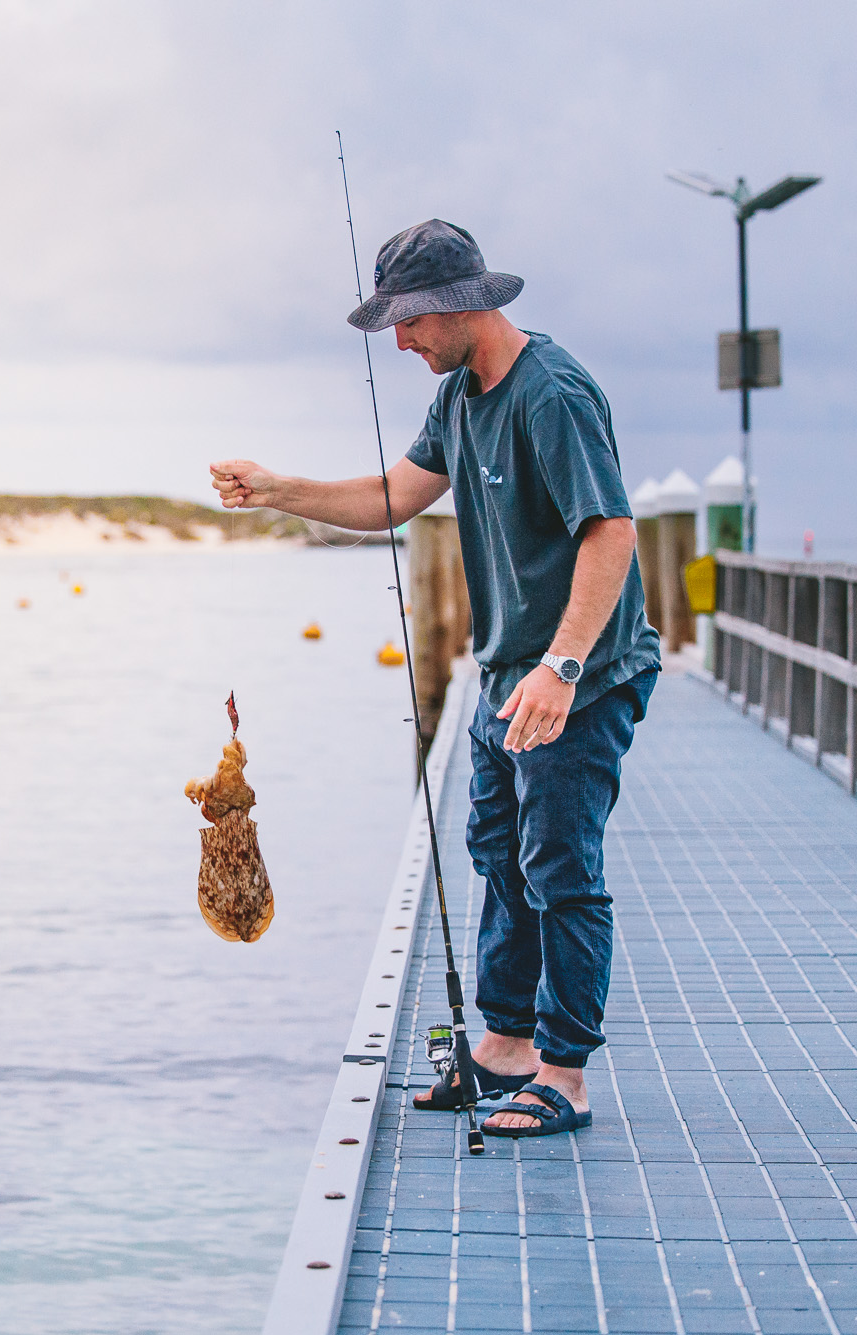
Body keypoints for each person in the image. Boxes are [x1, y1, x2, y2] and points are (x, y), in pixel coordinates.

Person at [210, 219, 660, 1138]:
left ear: (457, 304)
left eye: (408, 323)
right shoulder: (460, 397)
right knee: (498, 853)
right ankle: (504, 1044)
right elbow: (390, 499)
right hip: (504, 677)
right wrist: (277, 488)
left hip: (581, 679)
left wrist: (563, 667)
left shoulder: (553, 395)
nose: (401, 342)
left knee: (561, 869)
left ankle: (564, 1075)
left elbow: (610, 532)